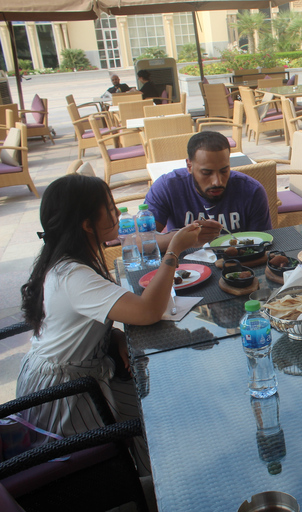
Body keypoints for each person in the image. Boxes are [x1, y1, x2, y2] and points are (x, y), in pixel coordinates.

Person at [17, 173, 202, 474]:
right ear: (87, 223)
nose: (117, 213)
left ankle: (159, 478)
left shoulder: (72, 258)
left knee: (161, 408)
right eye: (110, 207)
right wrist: (174, 251)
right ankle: (156, 488)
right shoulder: (73, 276)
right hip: (64, 394)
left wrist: (113, 337)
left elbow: (81, 323)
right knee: (159, 422)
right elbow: (147, 311)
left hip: (83, 371)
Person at [145, 131, 272, 252]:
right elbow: (138, 242)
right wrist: (181, 238)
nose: (217, 181)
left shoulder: (251, 191)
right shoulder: (167, 187)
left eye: (224, 171)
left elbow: (263, 245)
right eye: (207, 173)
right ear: (190, 166)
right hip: (184, 268)